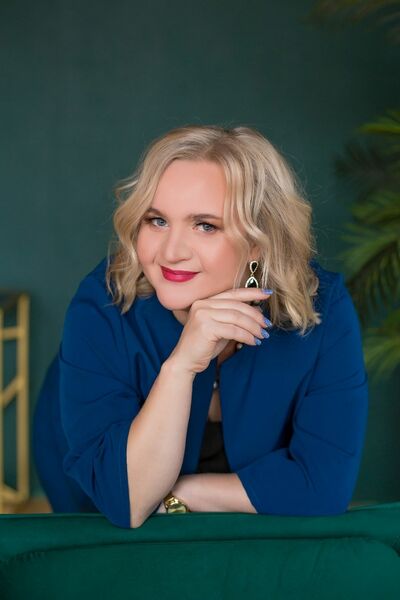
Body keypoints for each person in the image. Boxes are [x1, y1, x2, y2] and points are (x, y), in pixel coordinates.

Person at [33, 124, 369, 529]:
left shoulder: (321, 308)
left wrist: (180, 495)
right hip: (94, 503)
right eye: (157, 220)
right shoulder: (104, 303)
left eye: (205, 225)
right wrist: (181, 365)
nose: (171, 251)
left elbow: (323, 486)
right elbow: (128, 499)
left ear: (257, 243)